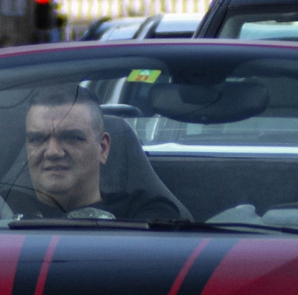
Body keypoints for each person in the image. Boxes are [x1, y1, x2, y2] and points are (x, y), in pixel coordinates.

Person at [18, 89, 181, 221]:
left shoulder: (147, 214)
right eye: (37, 139)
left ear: (103, 148)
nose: (53, 152)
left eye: (71, 138)